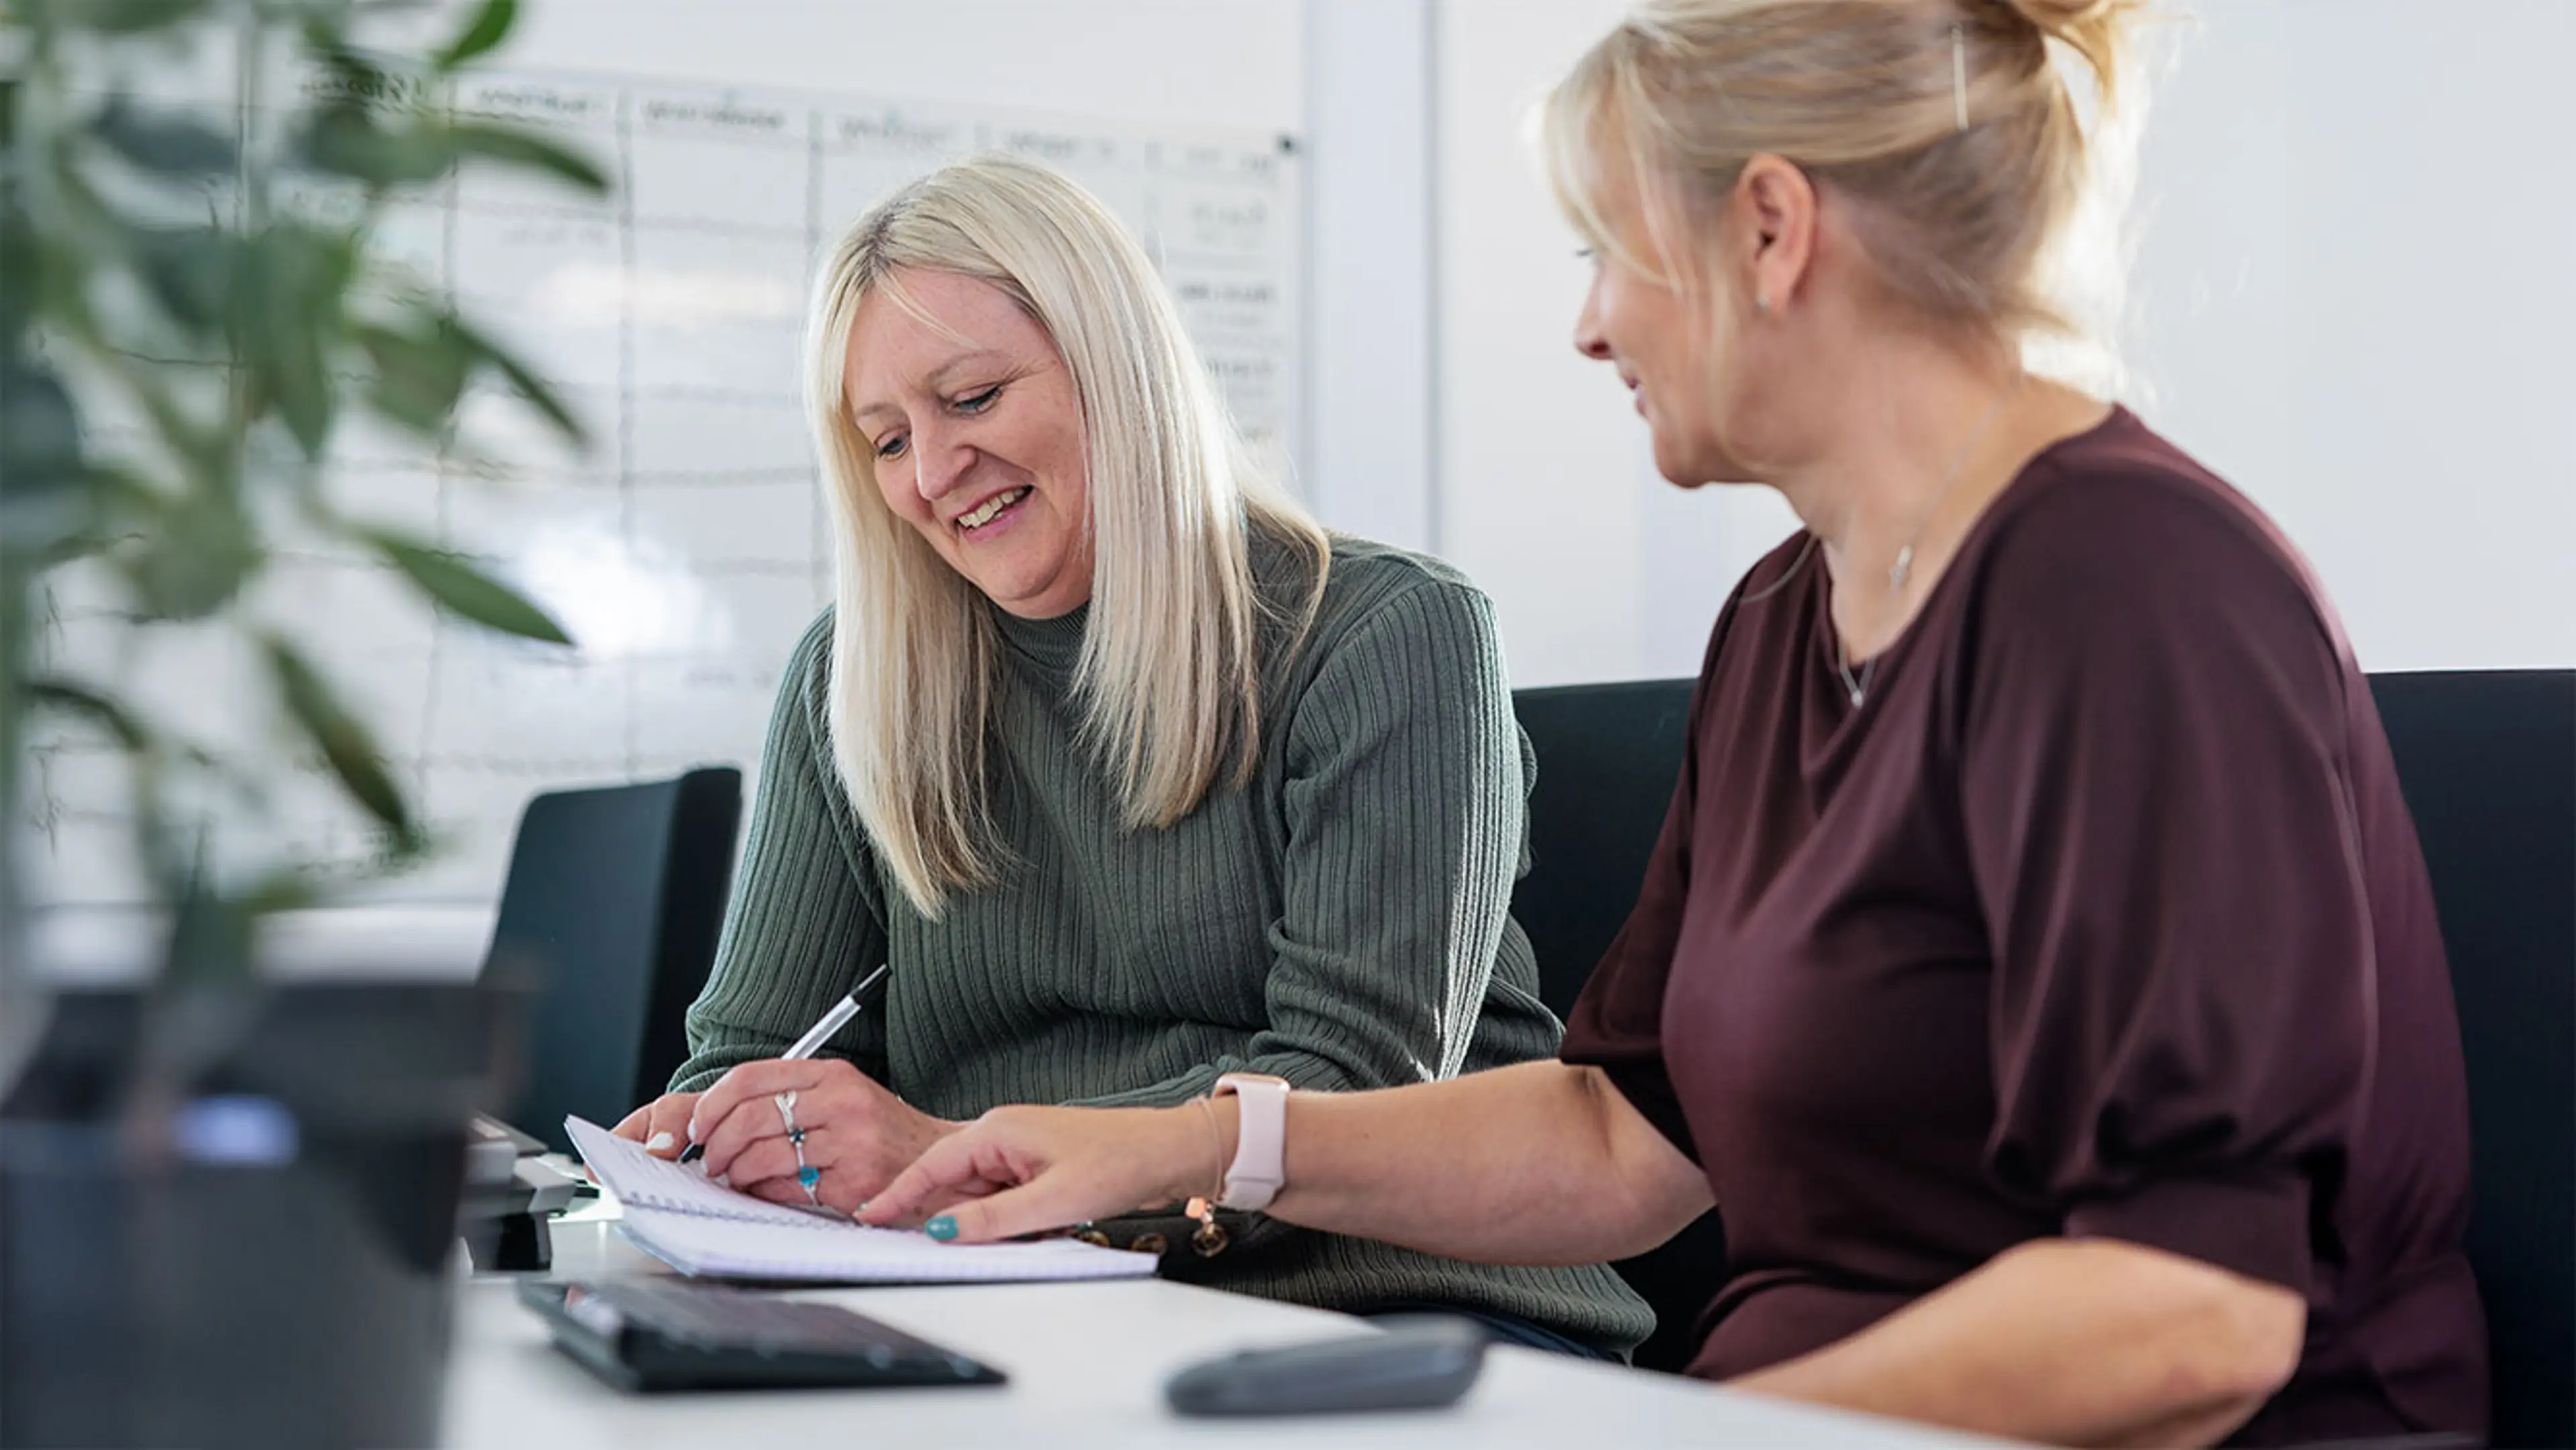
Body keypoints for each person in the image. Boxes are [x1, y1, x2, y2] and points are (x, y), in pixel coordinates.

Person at [859, 3, 2487, 1444]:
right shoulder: (1790, 615)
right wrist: (1177, 1151)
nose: (1588, 327)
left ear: (1770, 232)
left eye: (1605, 252)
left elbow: (2195, 1312)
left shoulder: (2129, 588)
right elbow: (1625, 1133)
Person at [610, 155, 1650, 1358]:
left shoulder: (1387, 634)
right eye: (887, 440)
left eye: (975, 398)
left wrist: (943, 1154)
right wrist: (728, 1133)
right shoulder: (856, 679)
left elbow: (1353, 1088)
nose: (935, 475)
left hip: (1391, 1310)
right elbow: (756, 1049)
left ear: (1115, 365)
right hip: (1024, 1302)